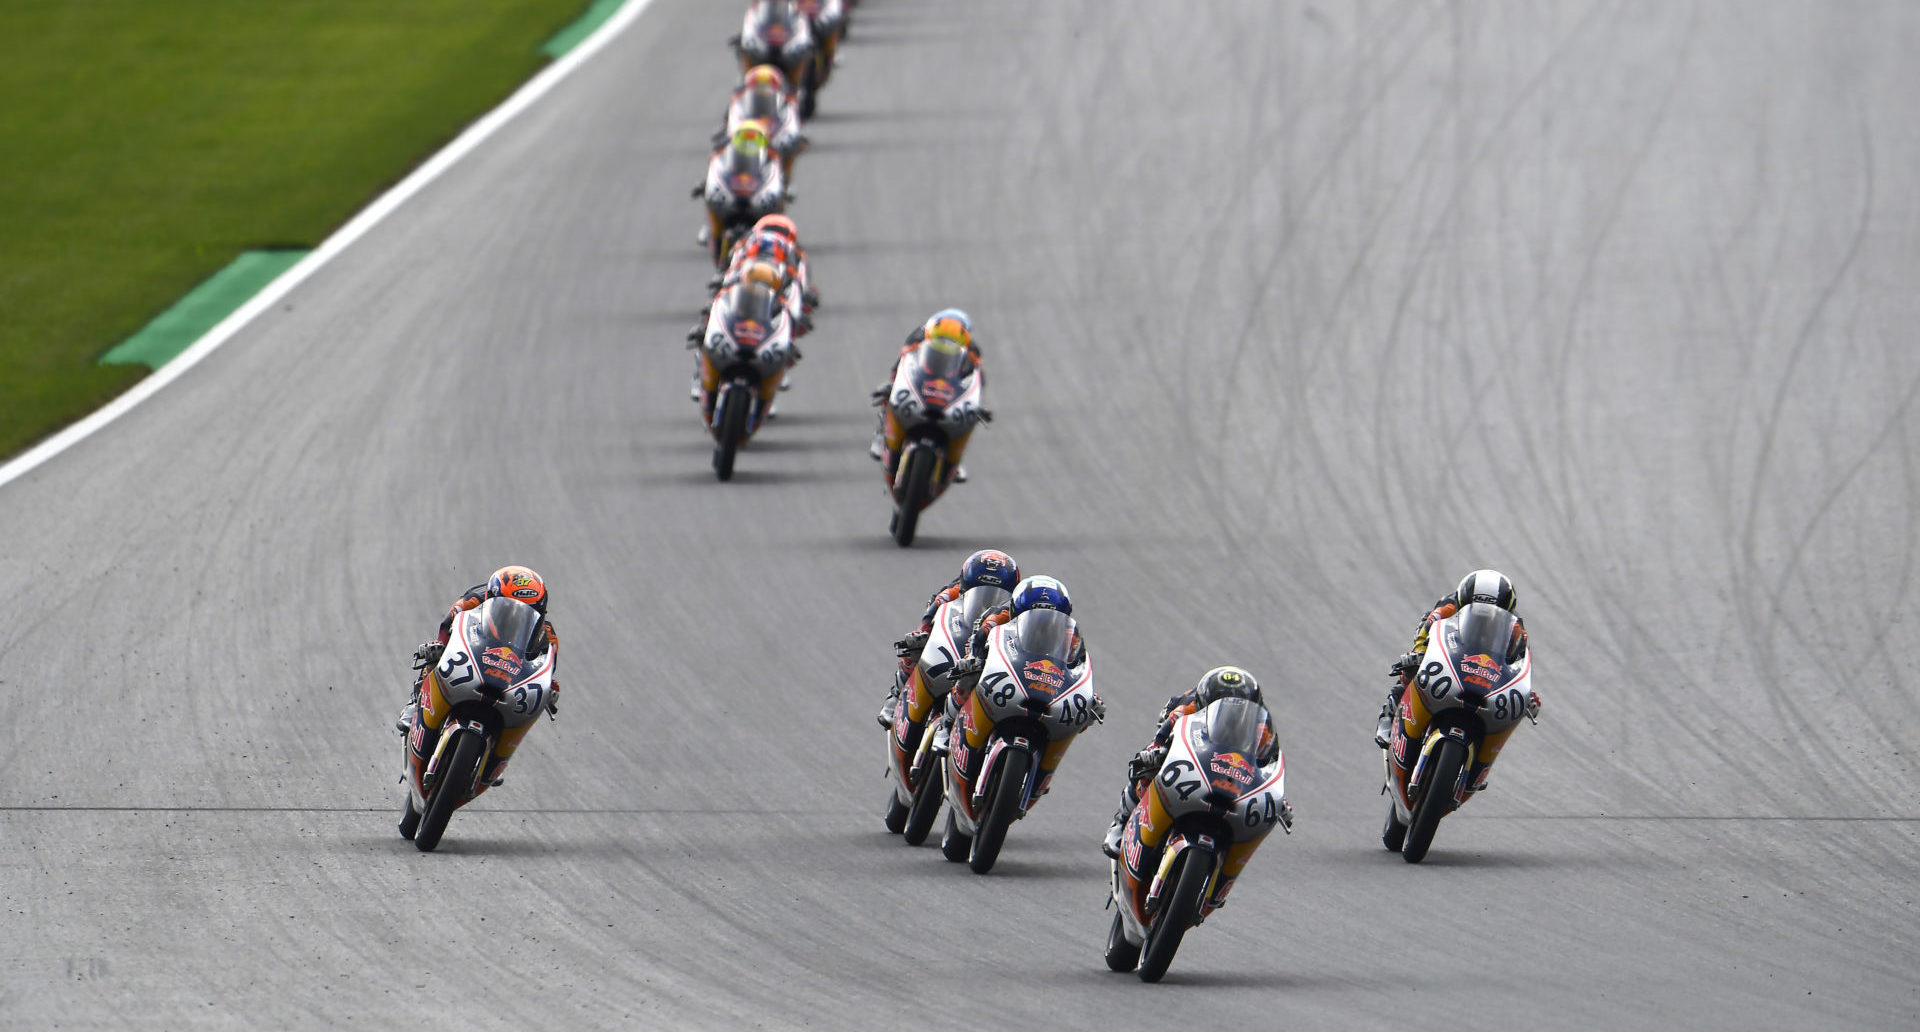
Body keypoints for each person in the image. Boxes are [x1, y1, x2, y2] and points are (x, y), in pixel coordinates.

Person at [1102, 666, 1287, 857]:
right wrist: (1153, 753)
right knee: (1146, 771)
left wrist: (1273, 796)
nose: (1230, 715)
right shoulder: (1184, 708)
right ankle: (1122, 821)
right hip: (1195, 742)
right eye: (1222, 707)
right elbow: (1159, 739)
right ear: (1204, 704)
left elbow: (1268, 764)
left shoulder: (1262, 728)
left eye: (1238, 709)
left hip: (1232, 765)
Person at [1373, 569, 1533, 750]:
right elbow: (1425, 630)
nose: (1485, 616)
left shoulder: (1516, 628)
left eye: (1492, 613)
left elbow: (1520, 660)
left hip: (1486, 670)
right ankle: (1388, 712)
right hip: (1453, 649)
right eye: (1478, 610)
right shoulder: (1447, 607)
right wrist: (1418, 653)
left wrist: (1525, 691)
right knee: (1412, 671)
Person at [934, 575, 1093, 751]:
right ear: (1015, 611)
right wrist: (973, 659)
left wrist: (1088, 698)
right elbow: (977, 640)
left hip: (1042, 676)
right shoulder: (999, 615)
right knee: (968, 676)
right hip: (1003, 659)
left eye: (1051, 617)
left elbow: (1077, 665)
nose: (1041, 623)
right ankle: (946, 725)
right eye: (1033, 615)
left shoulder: (1071, 634)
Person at [398, 565, 561, 734]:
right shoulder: (473, 600)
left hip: (509, 678)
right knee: (435, 658)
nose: (516, 617)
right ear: (490, 597)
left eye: (527, 613)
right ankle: (416, 698)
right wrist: (439, 648)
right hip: (477, 646)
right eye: (509, 609)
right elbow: (446, 627)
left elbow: (545, 671)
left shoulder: (548, 637)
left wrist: (549, 688)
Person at [876, 548, 1020, 729]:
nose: (990, 599)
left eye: (1000, 595)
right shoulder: (951, 592)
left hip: (988, 655)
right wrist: (922, 634)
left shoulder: (1016, 610)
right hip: (958, 634)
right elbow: (929, 617)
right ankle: (896, 694)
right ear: (965, 586)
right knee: (915, 645)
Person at [868, 309, 985, 477]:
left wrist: (975, 403)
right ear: (932, 329)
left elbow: (978, 379)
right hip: (922, 379)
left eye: (954, 337)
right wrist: (894, 384)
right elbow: (902, 363)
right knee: (891, 396)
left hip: (949, 387)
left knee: (966, 420)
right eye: (942, 335)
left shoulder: (972, 350)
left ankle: (953, 462)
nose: (947, 342)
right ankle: (881, 435)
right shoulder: (918, 336)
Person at [714, 65, 805, 175]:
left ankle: (783, 179)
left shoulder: (785, 109)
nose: (763, 92)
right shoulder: (739, 107)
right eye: (759, 88)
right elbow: (727, 128)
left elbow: (793, 127)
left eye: (767, 88)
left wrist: (792, 138)